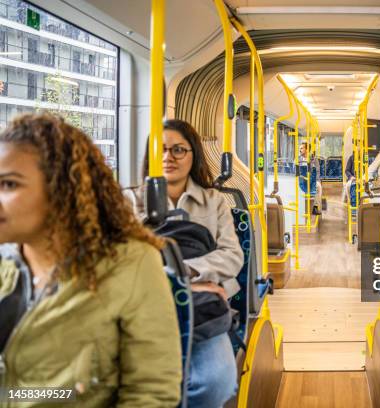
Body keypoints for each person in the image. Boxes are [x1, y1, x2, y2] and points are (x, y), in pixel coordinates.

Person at [0, 113, 182, 406]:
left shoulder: (130, 264)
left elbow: (151, 393)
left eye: (9, 185)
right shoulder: (5, 265)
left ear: (60, 190)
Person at [136, 119, 242, 408]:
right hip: (143, 306)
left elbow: (232, 255)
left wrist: (185, 272)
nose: (168, 157)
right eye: (161, 150)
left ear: (193, 154)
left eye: (179, 150)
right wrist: (184, 284)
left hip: (203, 308)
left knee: (214, 382)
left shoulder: (215, 202)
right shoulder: (129, 201)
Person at [299, 142, 323, 215]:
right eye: (300, 148)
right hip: (301, 179)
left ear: (307, 150)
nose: (300, 150)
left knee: (318, 186)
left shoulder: (314, 160)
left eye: (301, 148)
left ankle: (315, 207)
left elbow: (317, 172)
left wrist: (316, 180)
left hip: (312, 179)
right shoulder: (298, 159)